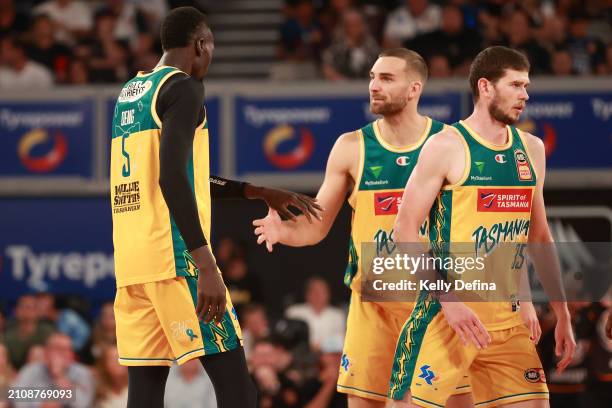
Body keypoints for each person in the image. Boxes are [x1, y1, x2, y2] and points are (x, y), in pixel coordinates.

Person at [109, 7, 320, 408]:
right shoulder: (184, 87)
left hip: (133, 265)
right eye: (212, 49)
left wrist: (252, 191)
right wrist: (205, 262)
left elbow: (174, 176)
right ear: (201, 45)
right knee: (239, 390)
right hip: (176, 259)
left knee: (146, 393)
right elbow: (170, 177)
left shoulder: (130, 93)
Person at [254, 48, 471, 407]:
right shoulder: (351, 147)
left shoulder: (451, 144)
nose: (374, 85)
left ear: (414, 88)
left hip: (433, 302)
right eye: (372, 77)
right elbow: (317, 225)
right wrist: (285, 232)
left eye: (386, 78)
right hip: (374, 304)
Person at [388, 46, 576, 407]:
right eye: (517, 85)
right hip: (447, 318)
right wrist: (450, 302)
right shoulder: (445, 146)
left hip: (506, 326)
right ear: (486, 87)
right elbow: (404, 231)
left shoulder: (531, 149)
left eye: (527, 86)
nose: (526, 94)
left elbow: (537, 237)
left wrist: (562, 313)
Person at [13, 332, 95, 408]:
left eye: (67, 349)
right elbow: (17, 400)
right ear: (46, 351)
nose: (63, 353)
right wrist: (41, 404)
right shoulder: (30, 370)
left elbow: (83, 403)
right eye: (58, 349)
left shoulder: (82, 372)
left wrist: (59, 376)